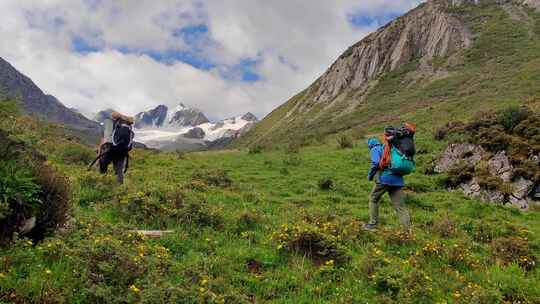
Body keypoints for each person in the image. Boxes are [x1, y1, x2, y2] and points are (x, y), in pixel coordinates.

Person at [364, 127, 411, 230]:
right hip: (398, 180)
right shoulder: (397, 147)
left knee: (373, 199)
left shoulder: (378, 148)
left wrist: (370, 176)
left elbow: (376, 163)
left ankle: (373, 224)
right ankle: (407, 230)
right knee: (400, 206)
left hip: (385, 179)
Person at [98, 112, 134, 184]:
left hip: (110, 148)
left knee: (103, 164)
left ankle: (101, 183)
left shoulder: (110, 123)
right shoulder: (128, 126)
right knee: (119, 170)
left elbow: (105, 138)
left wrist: (100, 151)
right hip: (122, 151)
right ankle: (120, 186)